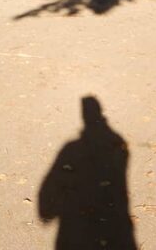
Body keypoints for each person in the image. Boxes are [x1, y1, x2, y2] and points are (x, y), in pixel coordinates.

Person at [38, 96, 138, 250]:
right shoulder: (116, 140)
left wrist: (47, 212)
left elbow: (52, 183)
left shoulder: (72, 147)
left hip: (73, 228)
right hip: (117, 222)